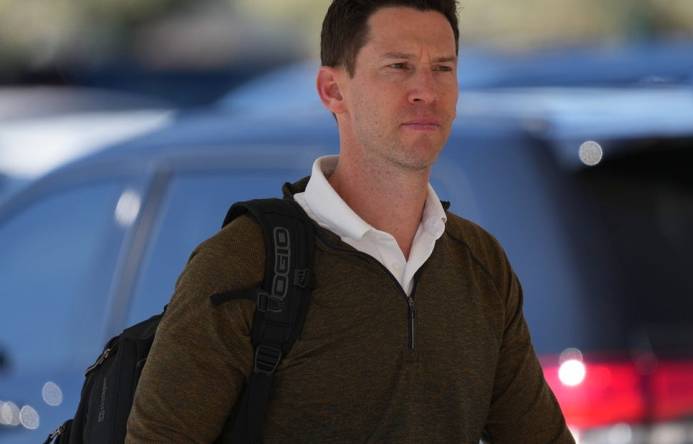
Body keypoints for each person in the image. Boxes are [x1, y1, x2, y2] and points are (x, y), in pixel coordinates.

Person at [126, 0, 574, 442]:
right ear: (333, 91)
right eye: (398, 66)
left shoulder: (480, 264)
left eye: (443, 68)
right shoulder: (245, 261)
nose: (426, 90)